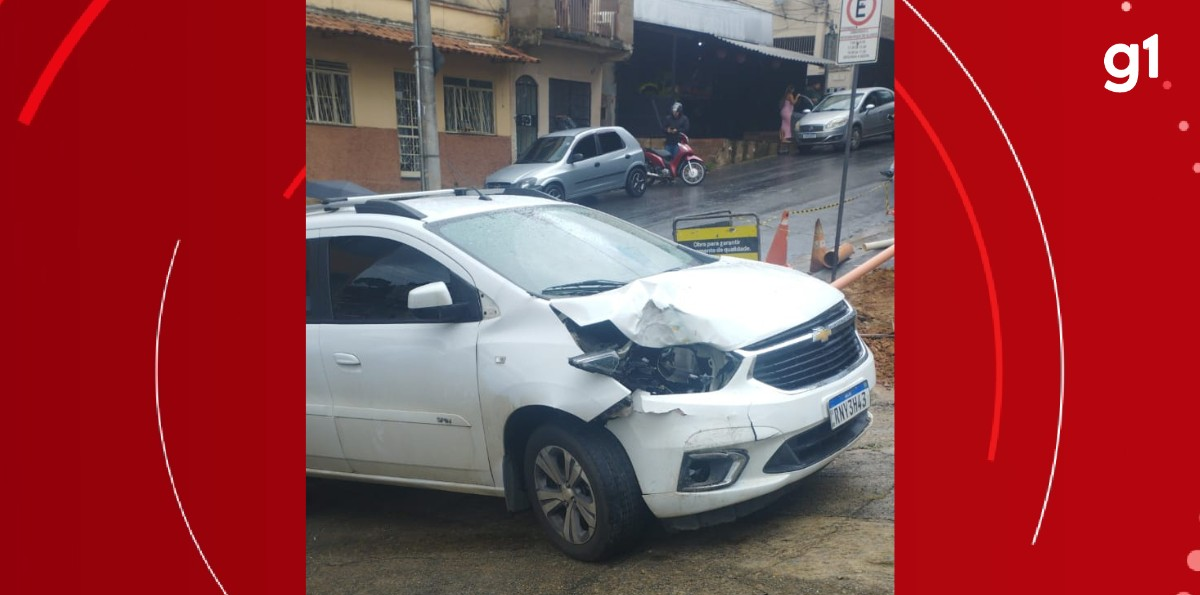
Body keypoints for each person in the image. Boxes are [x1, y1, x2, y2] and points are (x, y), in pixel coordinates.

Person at [779, 85, 798, 154]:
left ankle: (783, 138)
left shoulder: (785, 95)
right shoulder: (790, 95)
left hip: (783, 111)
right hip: (788, 112)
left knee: (784, 125)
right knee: (789, 125)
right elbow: (793, 102)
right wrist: (797, 97)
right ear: (792, 90)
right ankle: (786, 138)